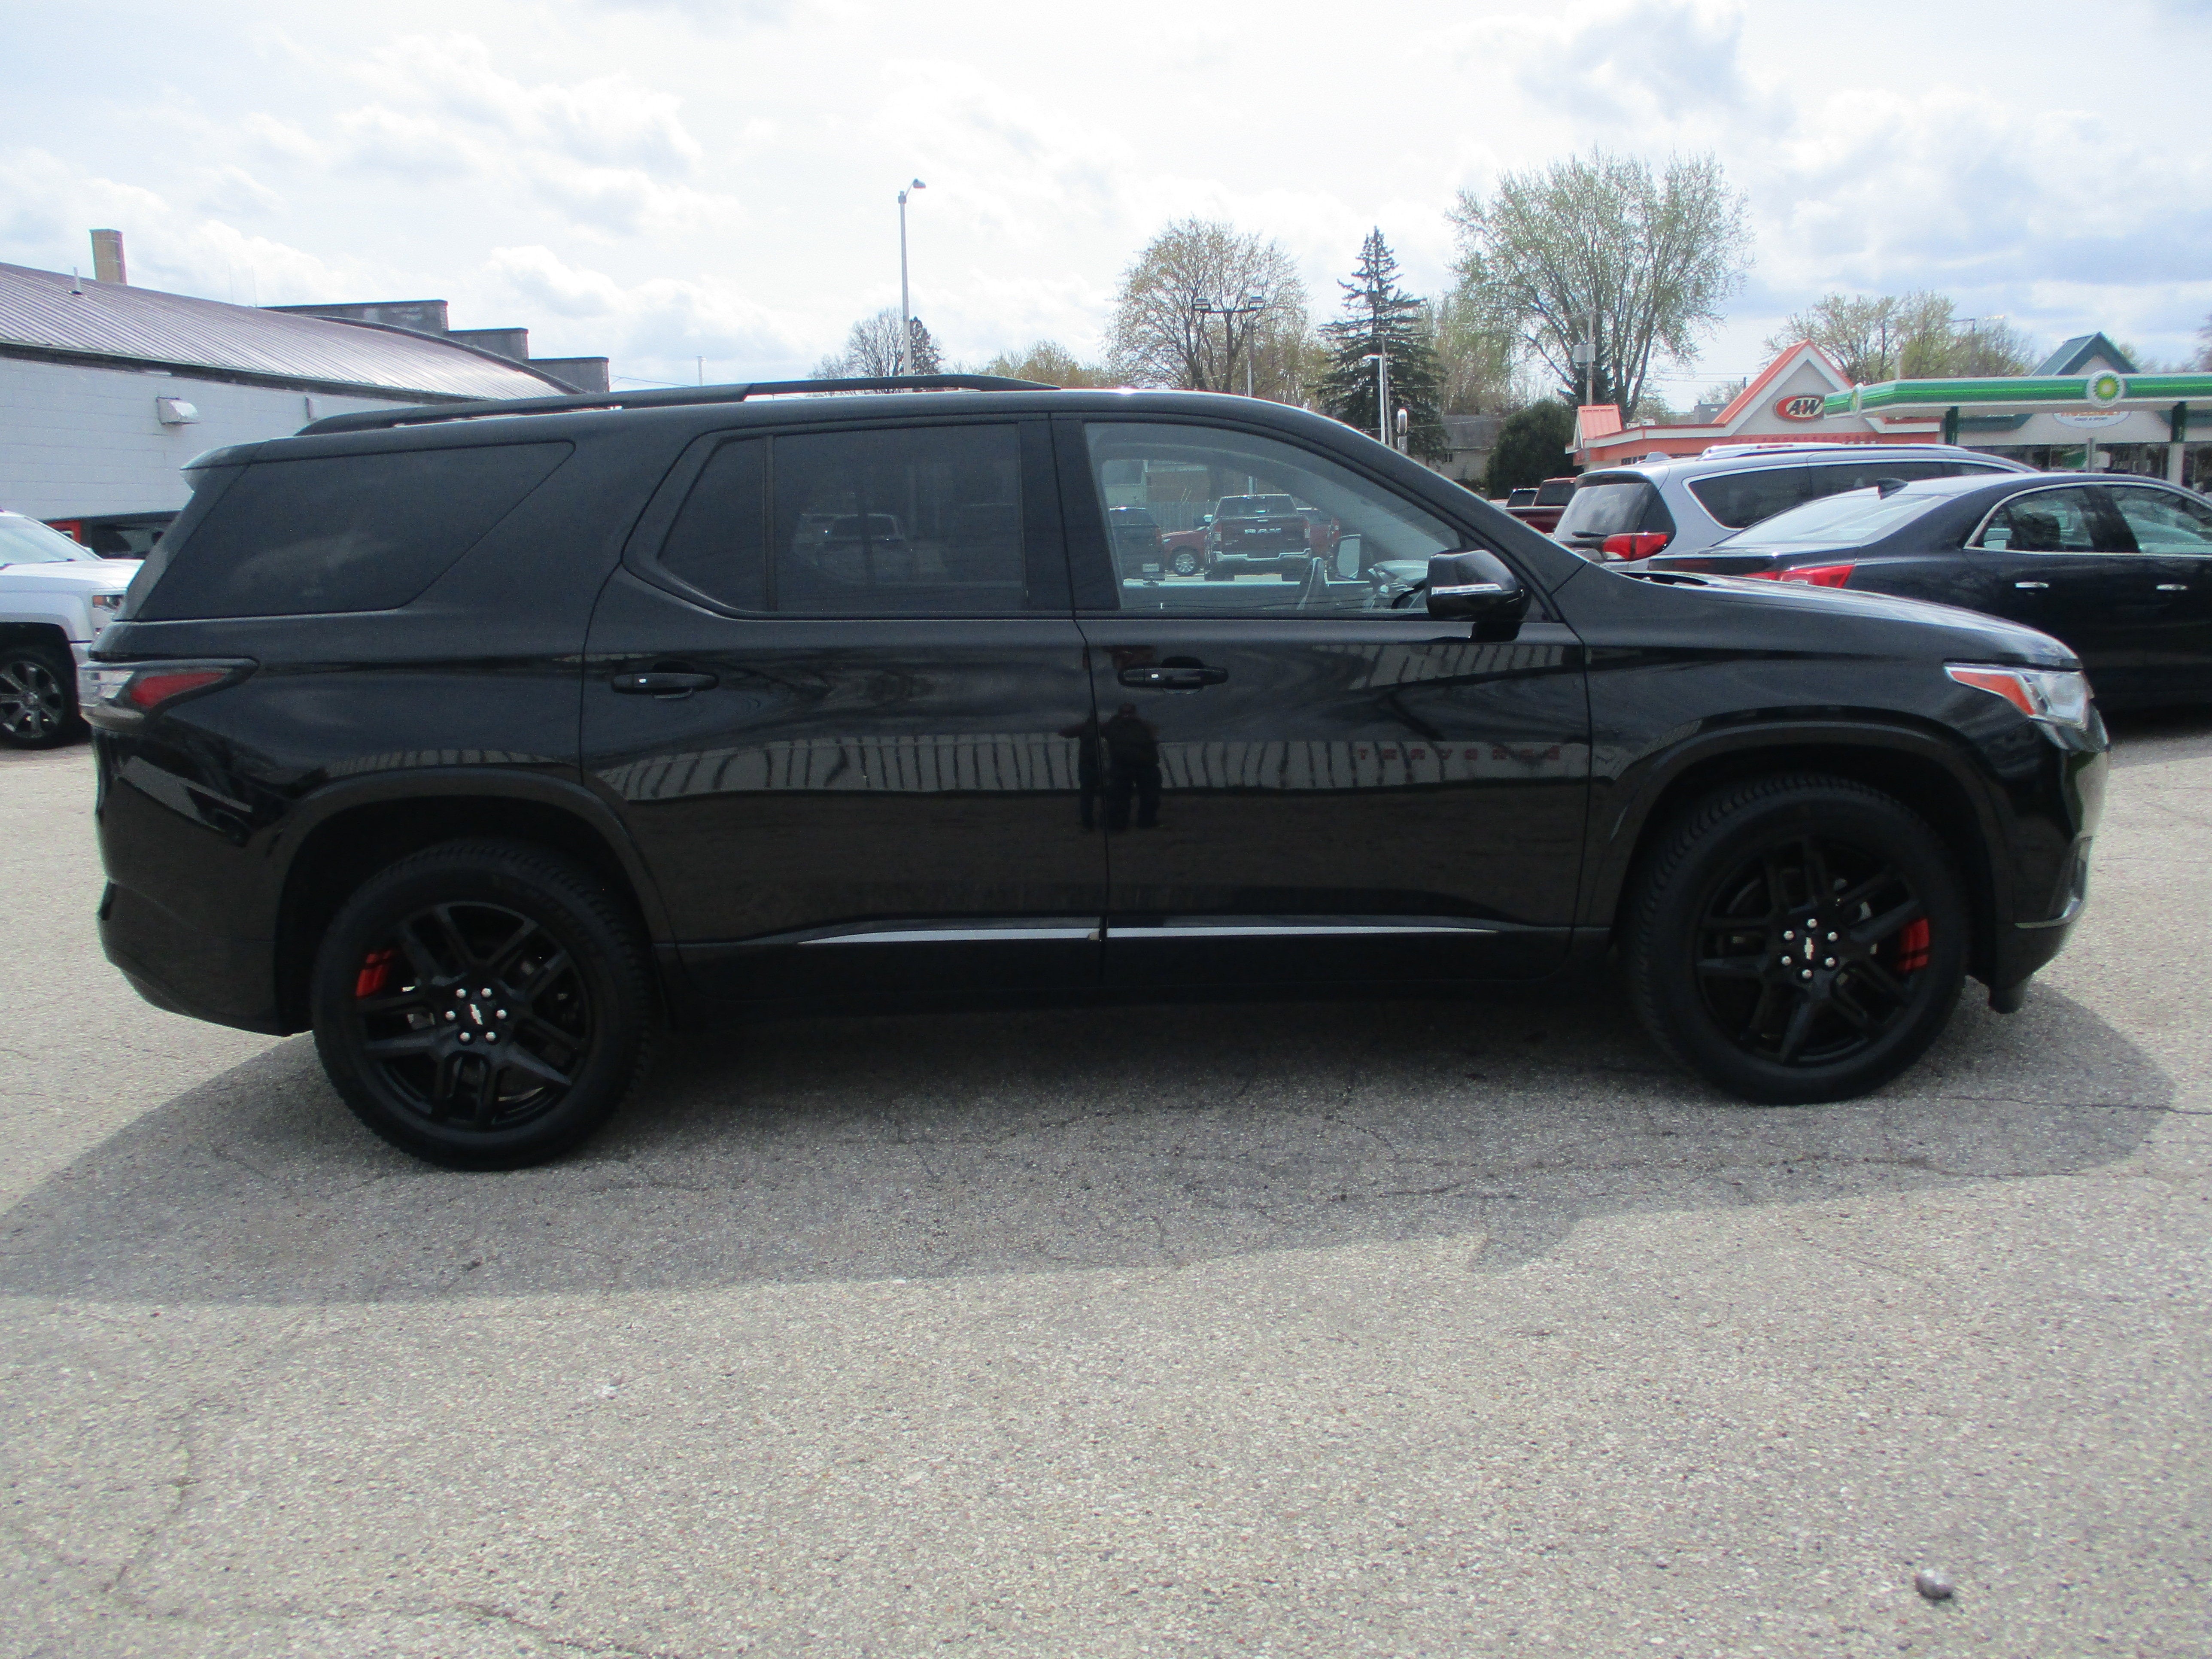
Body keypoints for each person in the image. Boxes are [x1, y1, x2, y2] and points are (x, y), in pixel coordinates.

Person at [1102, 702, 1162, 831]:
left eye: (1130, 713)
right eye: (1124, 713)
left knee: (1150, 796)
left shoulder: (1142, 725)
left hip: (1146, 765)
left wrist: (1139, 721)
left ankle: (1147, 822)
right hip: (1122, 765)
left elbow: (1154, 733)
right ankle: (1119, 824)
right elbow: (1107, 734)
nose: (1127, 716)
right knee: (1119, 797)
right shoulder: (1114, 725)